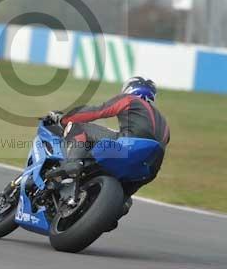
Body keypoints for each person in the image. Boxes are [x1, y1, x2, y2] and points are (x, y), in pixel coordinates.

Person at [48, 76, 170, 217]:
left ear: (129, 89)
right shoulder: (164, 123)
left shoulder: (129, 100)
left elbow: (96, 112)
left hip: (128, 147)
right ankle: (116, 209)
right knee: (122, 201)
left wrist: (63, 119)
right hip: (148, 169)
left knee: (77, 126)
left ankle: (72, 165)